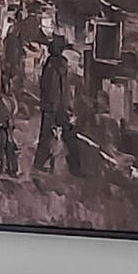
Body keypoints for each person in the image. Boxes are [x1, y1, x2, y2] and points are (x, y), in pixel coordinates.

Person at [37, 34, 82, 180]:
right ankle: (75, 167)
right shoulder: (61, 64)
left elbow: (44, 87)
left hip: (49, 106)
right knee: (69, 136)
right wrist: (68, 107)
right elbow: (65, 89)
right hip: (59, 107)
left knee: (45, 136)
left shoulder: (48, 63)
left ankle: (39, 162)